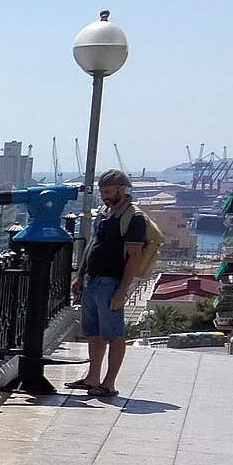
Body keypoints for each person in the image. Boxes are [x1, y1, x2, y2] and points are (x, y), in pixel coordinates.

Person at [70, 170, 160, 400]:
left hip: (110, 282)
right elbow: (92, 245)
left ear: (122, 188)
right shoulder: (104, 213)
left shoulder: (134, 218)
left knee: (114, 335)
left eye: (108, 191)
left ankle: (109, 383)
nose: (105, 196)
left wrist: (122, 290)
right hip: (92, 280)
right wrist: (80, 275)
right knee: (95, 334)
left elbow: (134, 256)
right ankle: (93, 377)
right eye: (102, 192)